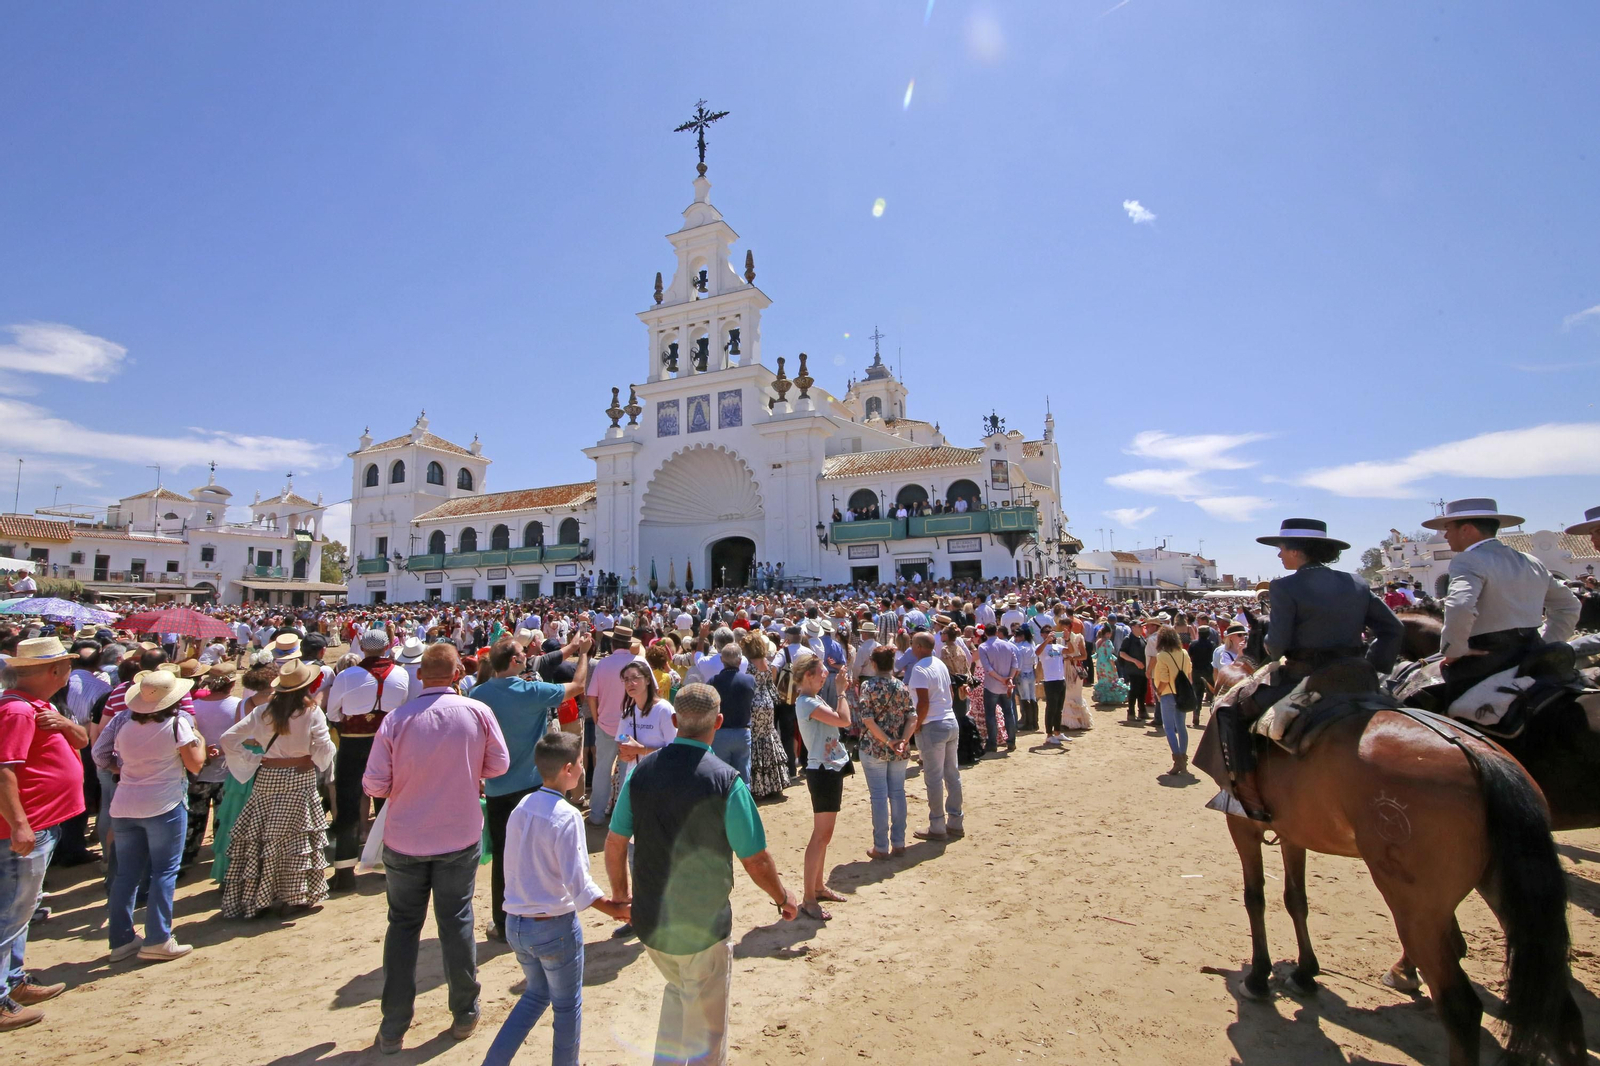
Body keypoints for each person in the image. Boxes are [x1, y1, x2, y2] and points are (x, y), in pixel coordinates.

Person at [603, 683, 797, 1066]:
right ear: (718, 722)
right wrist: (782, 897)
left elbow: (614, 842)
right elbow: (755, 859)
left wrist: (622, 896)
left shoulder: (640, 775)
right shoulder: (726, 781)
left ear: (675, 721)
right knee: (709, 1030)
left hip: (653, 921)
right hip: (702, 925)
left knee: (677, 994)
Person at [364, 643, 509, 1053]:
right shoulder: (477, 712)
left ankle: (393, 1024)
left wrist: (406, 783)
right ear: (458, 672)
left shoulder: (396, 720)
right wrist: (465, 770)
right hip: (458, 833)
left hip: (406, 836)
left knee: (403, 927)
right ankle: (463, 1011)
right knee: (456, 920)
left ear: (421, 676)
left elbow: (373, 783)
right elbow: (499, 765)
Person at [1218, 519, 1404, 822]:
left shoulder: (1285, 586)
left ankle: (1248, 795)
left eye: (1281, 549)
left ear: (1297, 551)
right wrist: (1374, 667)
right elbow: (1393, 629)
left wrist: (1268, 644)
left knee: (1229, 711)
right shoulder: (1356, 582)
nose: (1279, 556)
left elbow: (1276, 648)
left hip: (1304, 677)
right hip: (1359, 675)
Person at [479, 733, 630, 1066]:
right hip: (553, 927)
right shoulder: (566, 815)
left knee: (535, 995)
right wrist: (615, 910)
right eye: (578, 763)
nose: (581, 768)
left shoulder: (522, 806)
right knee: (566, 1006)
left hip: (517, 924)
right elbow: (578, 884)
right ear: (568, 769)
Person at [474, 635, 590, 943]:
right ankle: (538, 912)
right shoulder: (531, 691)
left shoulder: (478, 694)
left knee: (503, 854)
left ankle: (502, 920)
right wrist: (584, 655)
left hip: (498, 786)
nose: (528, 654)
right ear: (514, 661)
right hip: (530, 786)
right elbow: (577, 687)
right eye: (523, 652)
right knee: (538, 851)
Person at [0, 637, 86, 1030]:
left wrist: (69, 725)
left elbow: (82, 742)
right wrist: (19, 823)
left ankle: (13, 982)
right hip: (24, 828)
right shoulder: (18, 711)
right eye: (66, 665)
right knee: (10, 913)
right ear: (53, 671)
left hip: (41, 823)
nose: (70, 672)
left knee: (21, 911)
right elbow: (4, 770)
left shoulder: (40, 706)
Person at [1425, 498, 1580, 704]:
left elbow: (1460, 606)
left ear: (1467, 530)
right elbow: (1569, 605)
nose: (1445, 535)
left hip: (1486, 659)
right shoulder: (1531, 561)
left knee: (1421, 703)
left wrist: (1454, 652)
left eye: (1448, 528)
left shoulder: (1467, 559)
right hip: (1532, 653)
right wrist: (1546, 641)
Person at [217, 660, 336, 918]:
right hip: (300, 778)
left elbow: (228, 739)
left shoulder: (263, 712)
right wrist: (318, 760)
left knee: (264, 834)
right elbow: (324, 747)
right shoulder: (311, 712)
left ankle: (261, 895)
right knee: (296, 838)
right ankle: (294, 895)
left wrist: (252, 759)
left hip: (268, 777)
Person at [107, 668, 206, 963]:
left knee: (126, 875)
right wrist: (197, 737)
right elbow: (196, 764)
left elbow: (110, 759)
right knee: (164, 871)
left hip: (126, 804)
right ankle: (158, 937)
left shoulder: (124, 725)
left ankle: (121, 939)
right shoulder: (177, 725)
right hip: (163, 804)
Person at [323, 629, 411, 892]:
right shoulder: (401, 674)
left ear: (361, 645)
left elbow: (333, 714)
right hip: (388, 743)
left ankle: (344, 870)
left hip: (352, 742)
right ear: (387, 647)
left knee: (348, 804)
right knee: (388, 803)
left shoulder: (347, 676)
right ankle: (389, 864)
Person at [791, 652, 852, 920]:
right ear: (808, 676)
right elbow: (844, 720)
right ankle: (809, 898)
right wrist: (841, 694)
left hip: (828, 768)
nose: (825, 674)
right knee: (820, 836)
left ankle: (817, 887)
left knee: (824, 836)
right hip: (822, 770)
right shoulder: (806, 702)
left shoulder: (810, 699)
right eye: (820, 671)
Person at [855, 646, 914, 859]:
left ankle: (881, 846)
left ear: (874, 663)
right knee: (897, 793)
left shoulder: (868, 686)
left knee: (879, 796)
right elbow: (912, 717)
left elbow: (868, 719)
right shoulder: (902, 686)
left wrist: (888, 741)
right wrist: (903, 741)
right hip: (898, 746)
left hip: (874, 747)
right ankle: (898, 842)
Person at [583, 624, 645, 828]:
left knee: (602, 768)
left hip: (606, 724)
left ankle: (597, 814)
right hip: (634, 727)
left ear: (612, 643)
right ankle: (625, 817)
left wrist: (597, 717)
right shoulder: (640, 663)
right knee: (629, 770)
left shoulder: (603, 665)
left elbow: (591, 696)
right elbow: (654, 695)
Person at [906, 632, 964, 841]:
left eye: (913, 644)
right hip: (949, 721)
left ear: (920, 647)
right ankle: (956, 821)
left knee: (933, 778)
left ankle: (937, 825)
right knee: (952, 774)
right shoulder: (939, 664)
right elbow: (948, 692)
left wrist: (916, 726)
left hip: (932, 724)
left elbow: (923, 703)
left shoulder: (920, 669)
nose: (911, 647)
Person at [182, 664, 239, 869]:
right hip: (228, 771)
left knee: (194, 817)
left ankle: (187, 856)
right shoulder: (239, 706)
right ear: (232, 683)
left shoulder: (193, 707)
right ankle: (222, 856)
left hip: (199, 770)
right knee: (225, 817)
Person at [742, 633, 787, 799]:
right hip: (767, 702)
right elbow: (770, 685)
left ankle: (758, 787)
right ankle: (774, 785)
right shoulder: (765, 662)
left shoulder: (747, 664)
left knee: (754, 740)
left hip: (753, 703)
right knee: (768, 738)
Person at [708, 643, 755, 784]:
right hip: (742, 733)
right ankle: (742, 805)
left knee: (721, 778)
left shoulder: (713, 682)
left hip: (720, 734)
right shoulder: (749, 680)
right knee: (743, 778)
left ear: (722, 659)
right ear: (740, 661)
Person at [1149, 626, 1193, 777]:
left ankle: (1177, 759)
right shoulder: (1184, 653)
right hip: (1182, 693)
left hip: (1168, 694)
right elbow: (1189, 673)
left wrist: (1158, 692)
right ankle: (1184, 758)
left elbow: (1164, 679)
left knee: (1168, 728)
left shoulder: (1162, 655)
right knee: (1181, 727)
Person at [976, 627, 1018, 753]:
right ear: (996, 632)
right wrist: (1009, 678)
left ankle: (992, 744)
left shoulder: (983, 647)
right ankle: (1011, 742)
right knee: (1008, 712)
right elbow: (1015, 664)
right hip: (1006, 685)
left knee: (990, 715)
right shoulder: (1008, 645)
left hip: (992, 686)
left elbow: (988, 668)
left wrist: (1002, 679)